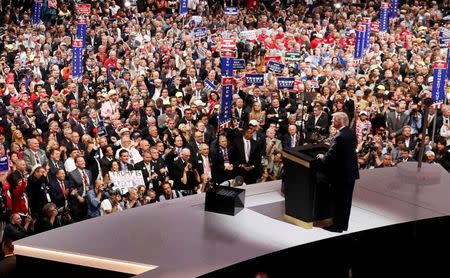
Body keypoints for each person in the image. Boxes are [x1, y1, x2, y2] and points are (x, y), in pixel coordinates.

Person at [317, 112, 359, 233]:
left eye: (333, 120)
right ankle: (343, 225)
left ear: (339, 121)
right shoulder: (350, 132)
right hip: (350, 173)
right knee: (346, 201)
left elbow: (331, 156)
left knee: (340, 201)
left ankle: (337, 226)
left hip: (341, 175)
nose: (331, 122)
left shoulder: (340, 136)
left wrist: (322, 157)